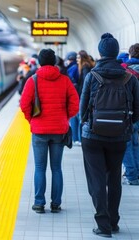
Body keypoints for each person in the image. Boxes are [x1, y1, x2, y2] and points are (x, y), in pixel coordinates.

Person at [80, 33, 139, 237]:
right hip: (119, 137)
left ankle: (103, 224)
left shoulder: (92, 76)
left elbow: (82, 109)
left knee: (96, 180)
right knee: (113, 177)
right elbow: (137, 111)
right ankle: (113, 222)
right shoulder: (129, 78)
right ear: (116, 53)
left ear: (101, 52)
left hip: (93, 136)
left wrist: (85, 125)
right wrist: (125, 126)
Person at [20, 48, 79, 214]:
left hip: (39, 131)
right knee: (56, 168)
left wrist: (32, 120)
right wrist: (65, 118)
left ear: (39, 62)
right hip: (59, 131)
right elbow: (75, 103)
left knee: (39, 168)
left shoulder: (33, 80)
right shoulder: (65, 80)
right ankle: (56, 204)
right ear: (54, 62)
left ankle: (39, 203)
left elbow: (24, 104)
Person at [121, 43, 139, 185]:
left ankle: (132, 175)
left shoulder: (124, 70)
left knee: (127, 144)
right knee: (136, 144)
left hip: (128, 112)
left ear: (130, 55)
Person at [65, 51, 81, 146]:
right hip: (79, 95)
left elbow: (69, 81)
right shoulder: (80, 67)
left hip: (75, 96)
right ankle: (78, 138)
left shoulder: (72, 68)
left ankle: (76, 138)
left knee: (74, 118)